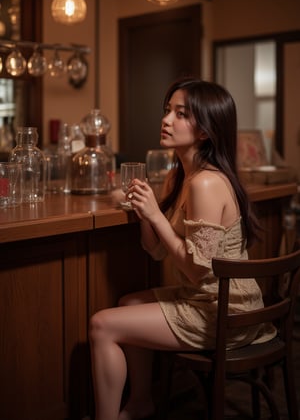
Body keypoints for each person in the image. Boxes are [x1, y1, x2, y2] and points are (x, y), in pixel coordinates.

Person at [89, 77, 276, 420]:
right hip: (205, 296)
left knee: (102, 324)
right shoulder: (180, 176)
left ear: (205, 131)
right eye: (167, 111)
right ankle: (141, 401)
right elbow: (157, 251)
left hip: (225, 311)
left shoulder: (206, 182)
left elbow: (197, 269)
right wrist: (143, 211)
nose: (166, 120)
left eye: (181, 114)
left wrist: (155, 215)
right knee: (125, 303)